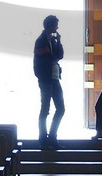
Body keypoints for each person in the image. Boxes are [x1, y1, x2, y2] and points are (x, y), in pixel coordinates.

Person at [32, 14, 65, 145]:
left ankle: (52, 137)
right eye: (56, 25)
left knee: (60, 109)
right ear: (51, 25)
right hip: (46, 79)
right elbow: (50, 58)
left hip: (54, 78)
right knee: (45, 109)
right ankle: (43, 140)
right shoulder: (41, 40)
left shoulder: (52, 40)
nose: (57, 27)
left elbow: (60, 56)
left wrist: (59, 41)